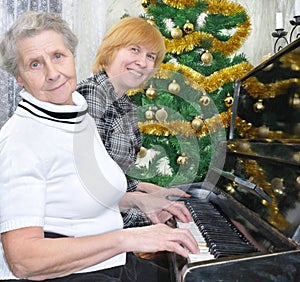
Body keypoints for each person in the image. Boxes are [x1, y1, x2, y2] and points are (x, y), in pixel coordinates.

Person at [0, 11, 199, 281]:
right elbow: (24, 261)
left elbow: (81, 196)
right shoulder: (20, 140)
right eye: (35, 64)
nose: (53, 73)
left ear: (72, 56)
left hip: (109, 260)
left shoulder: (76, 114)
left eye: (58, 56)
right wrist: (127, 239)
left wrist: (140, 201)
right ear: (19, 78)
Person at [77, 17, 193, 228]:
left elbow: (111, 177)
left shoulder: (125, 103)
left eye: (151, 56)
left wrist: (147, 188)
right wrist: (151, 218)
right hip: (90, 233)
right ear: (111, 50)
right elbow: (86, 188)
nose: (143, 62)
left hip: (108, 224)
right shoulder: (92, 95)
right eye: (134, 49)